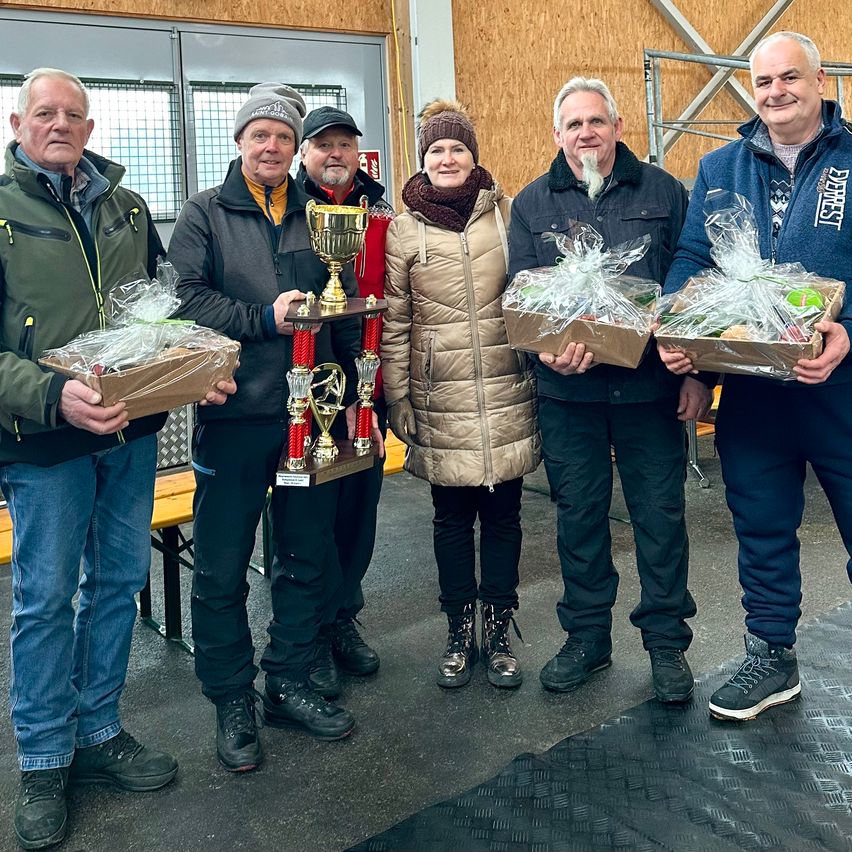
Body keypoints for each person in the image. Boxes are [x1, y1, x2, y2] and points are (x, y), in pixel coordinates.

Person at [0, 68, 230, 850]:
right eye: (45, 113)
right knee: (45, 599)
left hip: (129, 435)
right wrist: (51, 395)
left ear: (90, 129)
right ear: (18, 123)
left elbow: (157, 317)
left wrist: (197, 367)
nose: (60, 124)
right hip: (46, 442)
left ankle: (97, 730)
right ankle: (43, 759)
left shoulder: (126, 208)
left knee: (117, 586)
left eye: (73, 114)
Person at [169, 83, 380, 773]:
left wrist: (354, 402)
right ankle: (232, 698)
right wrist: (264, 319)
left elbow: (337, 309)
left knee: (305, 555)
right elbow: (185, 300)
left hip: (311, 419)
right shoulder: (204, 213)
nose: (271, 146)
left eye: (283, 136)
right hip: (233, 416)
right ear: (239, 141)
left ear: (296, 148)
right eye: (259, 134)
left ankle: (288, 678)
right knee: (221, 568)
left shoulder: (318, 216)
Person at [660, 32, 852, 721]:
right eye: (764, 81)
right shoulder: (720, 167)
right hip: (751, 391)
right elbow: (692, 258)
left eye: (789, 77)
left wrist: (850, 329)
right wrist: (678, 326)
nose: (776, 92)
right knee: (762, 528)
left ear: (820, 80)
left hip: (840, 388)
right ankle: (772, 656)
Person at [508, 77, 709, 704]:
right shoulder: (532, 203)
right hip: (569, 395)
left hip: (651, 389)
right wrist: (545, 350)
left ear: (619, 127)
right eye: (573, 124)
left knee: (661, 516)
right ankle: (587, 637)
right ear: (557, 133)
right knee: (579, 518)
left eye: (596, 121)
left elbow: (693, 283)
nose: (586, 133)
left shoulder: (663, 190)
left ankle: (667, 643)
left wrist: (698, 373)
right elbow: (522, 292)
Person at [383, 100, 539, 689]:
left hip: (505, 388)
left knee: (504, 517)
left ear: (473, 156)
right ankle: (458, 629)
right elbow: (395, 320)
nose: (446, 158)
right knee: (450, 519)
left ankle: (497, 630)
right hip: (439, 395)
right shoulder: (404, 230)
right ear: (422, 160)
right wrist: (397, 395)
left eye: (457, 148)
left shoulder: (507, 215)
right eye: (435, 150)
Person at [296, 106, 395, 698]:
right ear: (305, 154)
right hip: (304, 390)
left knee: (359, 510)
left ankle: (342, 617)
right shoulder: (292, 214)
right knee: (311, 521)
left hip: (366, 383)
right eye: (323, 144)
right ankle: (309, 628)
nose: (335, 154)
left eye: (345, 144)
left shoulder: (380, 211)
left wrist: (372, 395)